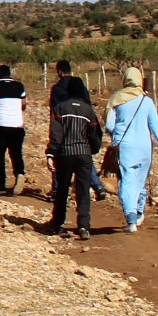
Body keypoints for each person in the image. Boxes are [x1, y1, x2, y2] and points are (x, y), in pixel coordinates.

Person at [104, 66, 158, 232]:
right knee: (140, 182)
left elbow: (109, 125)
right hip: (145, 149)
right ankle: (139, 211)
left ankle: (131, 218)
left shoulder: (116, 99)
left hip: (125, 148)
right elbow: (156, 127)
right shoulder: (147, 101)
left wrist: (116, 134)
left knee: (126, 181)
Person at [47, 72, 105, 239]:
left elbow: (56, 134)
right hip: (84, 155)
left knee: (62, 190)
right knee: (83, 190)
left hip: (64, 155)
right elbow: (95, 134)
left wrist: (51, 153)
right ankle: (84, 226)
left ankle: (57, 224)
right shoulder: (88, 111)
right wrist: (92, 149)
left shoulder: (60, 108)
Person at [48, 59, 109, 200]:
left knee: (59, 156)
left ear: (59, 71)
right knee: (84, 155)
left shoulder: (57, 89)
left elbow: (54, 111)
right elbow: (88, 106)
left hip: (64, 125)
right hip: (82, 125)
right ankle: (98, 186)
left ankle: (58, 191)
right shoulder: (81, 86)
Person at [0, 64, 29, 195]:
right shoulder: (19, 86)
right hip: (17, 125)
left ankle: (1, 186)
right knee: (16, 153)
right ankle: (20, 173)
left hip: (1, 125)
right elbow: (23, 104)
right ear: (10, 73)